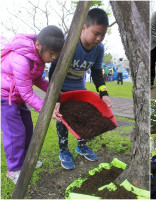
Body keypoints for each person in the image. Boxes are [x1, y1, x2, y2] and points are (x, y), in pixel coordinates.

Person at [1, 25, 65, 184]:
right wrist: (47, 110)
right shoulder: (21, 59)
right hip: (4, 98)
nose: (53, 58)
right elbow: (27, 93)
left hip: (16, 97)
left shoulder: (37, 59)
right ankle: (14, 169)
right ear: (38, 45)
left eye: (56, 55)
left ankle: (26, 160)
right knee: (15, 133)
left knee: (28, 128)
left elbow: (37, 79)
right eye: (51, 54)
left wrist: (54, 91)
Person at [49, 8, 111, 170]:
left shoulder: (99, 49)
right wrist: (55, 98)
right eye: (96, 33)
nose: (99, 38)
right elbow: (52, 72)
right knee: (63, 122)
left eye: (103, 34)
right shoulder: (68, 43)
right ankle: (63, 150)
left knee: (84, 117)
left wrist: (103, 93)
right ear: (83, 28)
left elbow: (97, 73)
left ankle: (82, 146)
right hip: (61, 89)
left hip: (79, 89)